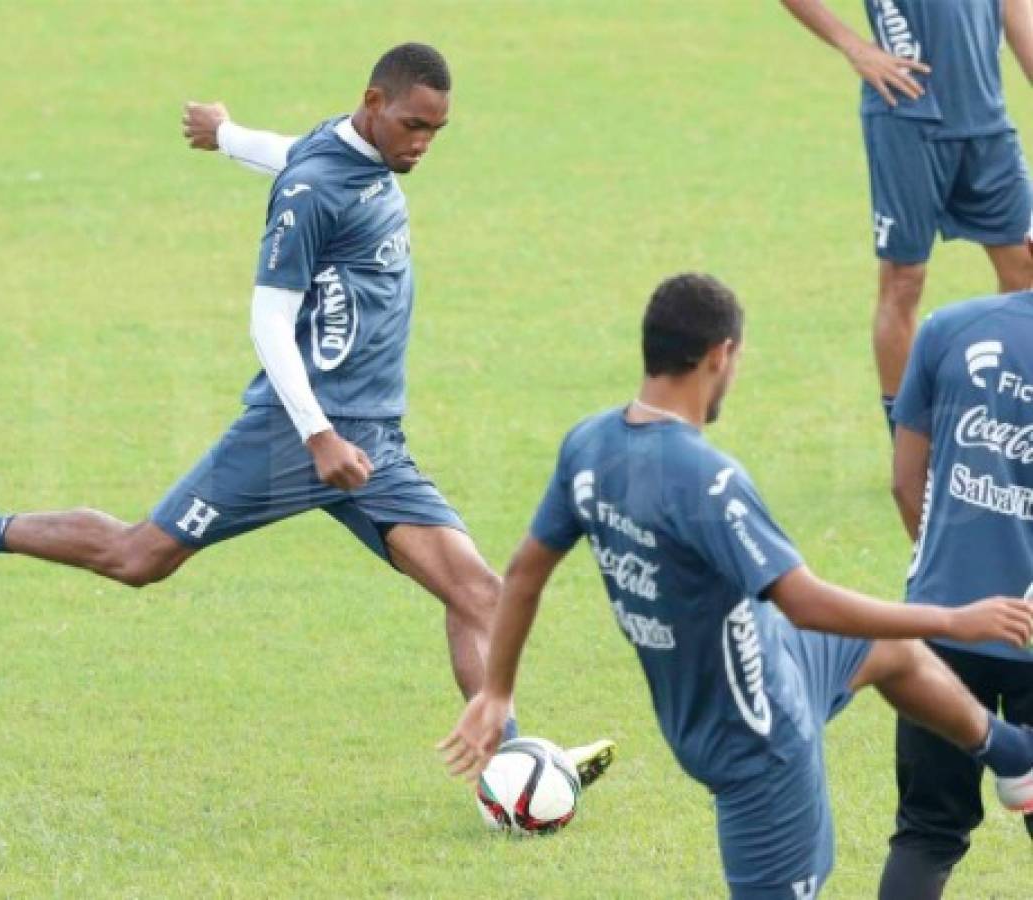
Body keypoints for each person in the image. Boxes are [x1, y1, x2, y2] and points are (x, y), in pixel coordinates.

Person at [0, 43, 612, 783]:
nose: (423, 144)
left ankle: (513, 764)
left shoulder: (346, 153)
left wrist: (226, 136)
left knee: (475, 591)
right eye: (415, 125)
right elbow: (267, 318)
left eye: (437, 132)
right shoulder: (315, 191)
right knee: (139, 559)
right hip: (295, 436)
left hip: (372, 440)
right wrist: (317, 433)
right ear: (375, 102)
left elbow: (294, 152)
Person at [439, 273, 1033, 898]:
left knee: (888, 651)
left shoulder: (590, 446)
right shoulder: (708, 481)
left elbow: (527, 572)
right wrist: (952, 620)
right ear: (721, 355)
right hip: (757, 736)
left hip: (765, 655)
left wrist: (498, 692)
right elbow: (802, 601)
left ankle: (1011, 754)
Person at [780, 0, 1033, 435]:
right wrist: (854, 47)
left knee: (1025, 270)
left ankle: (1007, 421)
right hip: (908, 117)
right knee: (903, 281)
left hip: (987, 122)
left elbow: (1017, 9)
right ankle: (910, 440)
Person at [881, 283, 1033, 896]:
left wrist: (947, 571)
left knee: (926, 832)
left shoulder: (949, 328)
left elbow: (903, 480)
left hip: (941, 628)